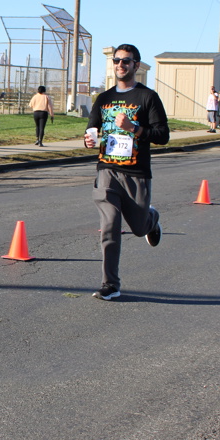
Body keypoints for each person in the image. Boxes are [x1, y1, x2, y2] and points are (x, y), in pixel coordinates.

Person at [83, 44, 169, 301]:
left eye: (126, 61)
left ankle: (151, 219)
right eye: (117, 60)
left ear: (136, 65)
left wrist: (134, 128)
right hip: (107, 171)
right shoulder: (104, 98)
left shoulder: (147, 97)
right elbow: (92, 129)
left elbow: (162, 135)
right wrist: (88, 139)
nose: (120, 65)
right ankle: (110, 284)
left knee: (139, 228)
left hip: (136, 173)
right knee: (109, 226)